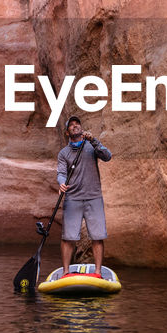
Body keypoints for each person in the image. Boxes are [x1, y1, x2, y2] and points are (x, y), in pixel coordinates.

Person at [56, 115, 112, 274]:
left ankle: (98, 272)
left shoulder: (91, 145)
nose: (75, 126)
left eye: (77, 124)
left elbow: (107, 156)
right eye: (71, 125)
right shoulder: (63, 153)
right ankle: (66, 272)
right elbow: (61, 172)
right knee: (68, 237)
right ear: (67, 132)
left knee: (97, 235)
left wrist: (94, 140)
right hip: (72, 198)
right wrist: (61, 182)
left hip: (94, 197)